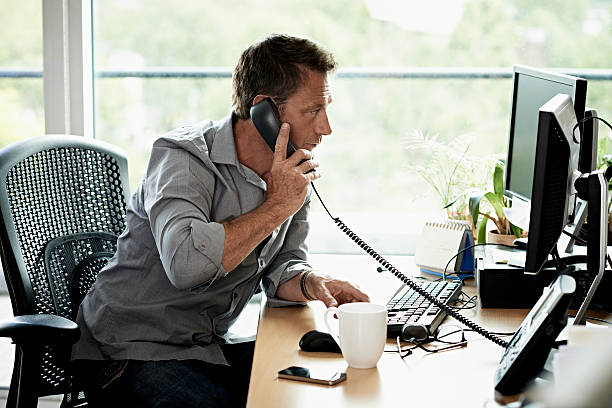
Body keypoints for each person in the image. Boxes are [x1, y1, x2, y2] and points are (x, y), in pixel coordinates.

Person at [71, 33, 370, 407]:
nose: (326, 127)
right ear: (265, 111)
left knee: (318, 386)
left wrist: (311, 282)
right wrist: (277, 205)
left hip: (204, 349)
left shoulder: (289, 174)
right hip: (128, 352)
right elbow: (187, 266)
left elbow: (282, 264)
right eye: (313, 110)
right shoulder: (181, 158)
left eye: (326, 108)